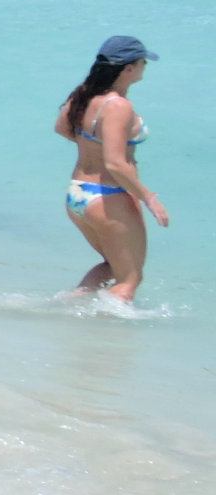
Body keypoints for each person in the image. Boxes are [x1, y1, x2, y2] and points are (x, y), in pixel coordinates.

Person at [54, 35, 167, 303]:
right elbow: (115, 163)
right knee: (130, 278)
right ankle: (111, 339)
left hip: (78, 194)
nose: (144, 67)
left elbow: (61, 128)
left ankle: (68, 303)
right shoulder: (118, 106)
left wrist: (91, 145)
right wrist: (149, 198)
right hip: (107, 196)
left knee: (112, 266)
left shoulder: (84, 95)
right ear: (128, 68)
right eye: (142, 62)